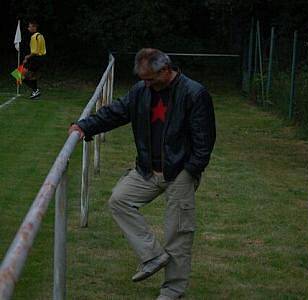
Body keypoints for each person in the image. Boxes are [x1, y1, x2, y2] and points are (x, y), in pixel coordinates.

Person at [69, 48, 216, 300]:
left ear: (165, 70)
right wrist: (84, 126)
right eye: (142, 78)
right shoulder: (142, 91)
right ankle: (152, 256)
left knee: (178, 233)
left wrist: (190, 171)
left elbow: (205, 140)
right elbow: (116, 112)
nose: (145, 83)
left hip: (180, 172)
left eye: (149, 78)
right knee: (119, 200)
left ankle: (172, 291)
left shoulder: (194, 93)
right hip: (147, 169)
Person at [23, 20, 46, 99]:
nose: (28, 28)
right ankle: (35, 93)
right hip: (41, 59)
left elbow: (34, 52)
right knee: (33, 77)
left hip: (35, 59)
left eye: (29, 26)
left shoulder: (34, 36)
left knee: (19, 75)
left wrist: (27, 57)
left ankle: (36, 90)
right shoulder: (41, 35)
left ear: (34, 27)